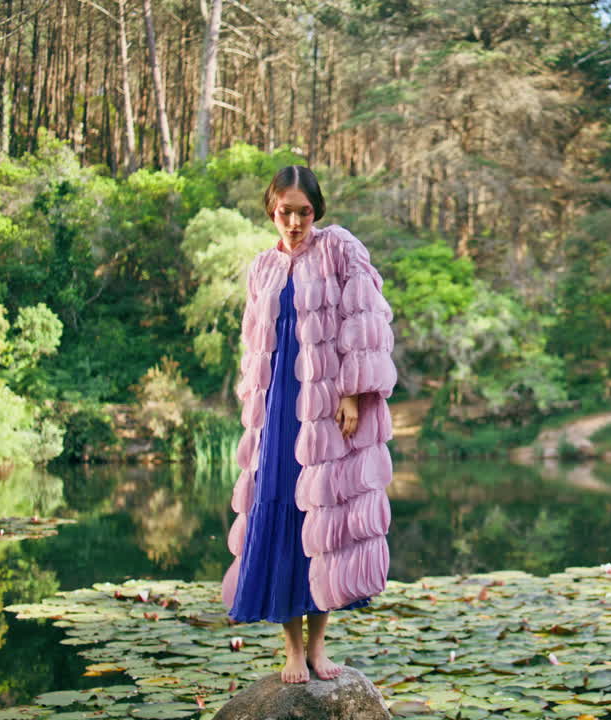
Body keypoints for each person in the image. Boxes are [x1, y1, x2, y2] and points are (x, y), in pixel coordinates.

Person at [220, 165, 396, 683]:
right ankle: (292, 650)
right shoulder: (262, 268)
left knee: (322, 521)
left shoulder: (339, 249)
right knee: (279, 518)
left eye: (303, 211)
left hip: (324, 408)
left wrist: (352, 395)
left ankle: (319, 647)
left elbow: (363, 322)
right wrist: (254, 408)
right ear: (271, 212)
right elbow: (255, 347)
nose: (294, 221)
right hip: (277, 412)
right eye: (284, 212)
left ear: (316, 210)